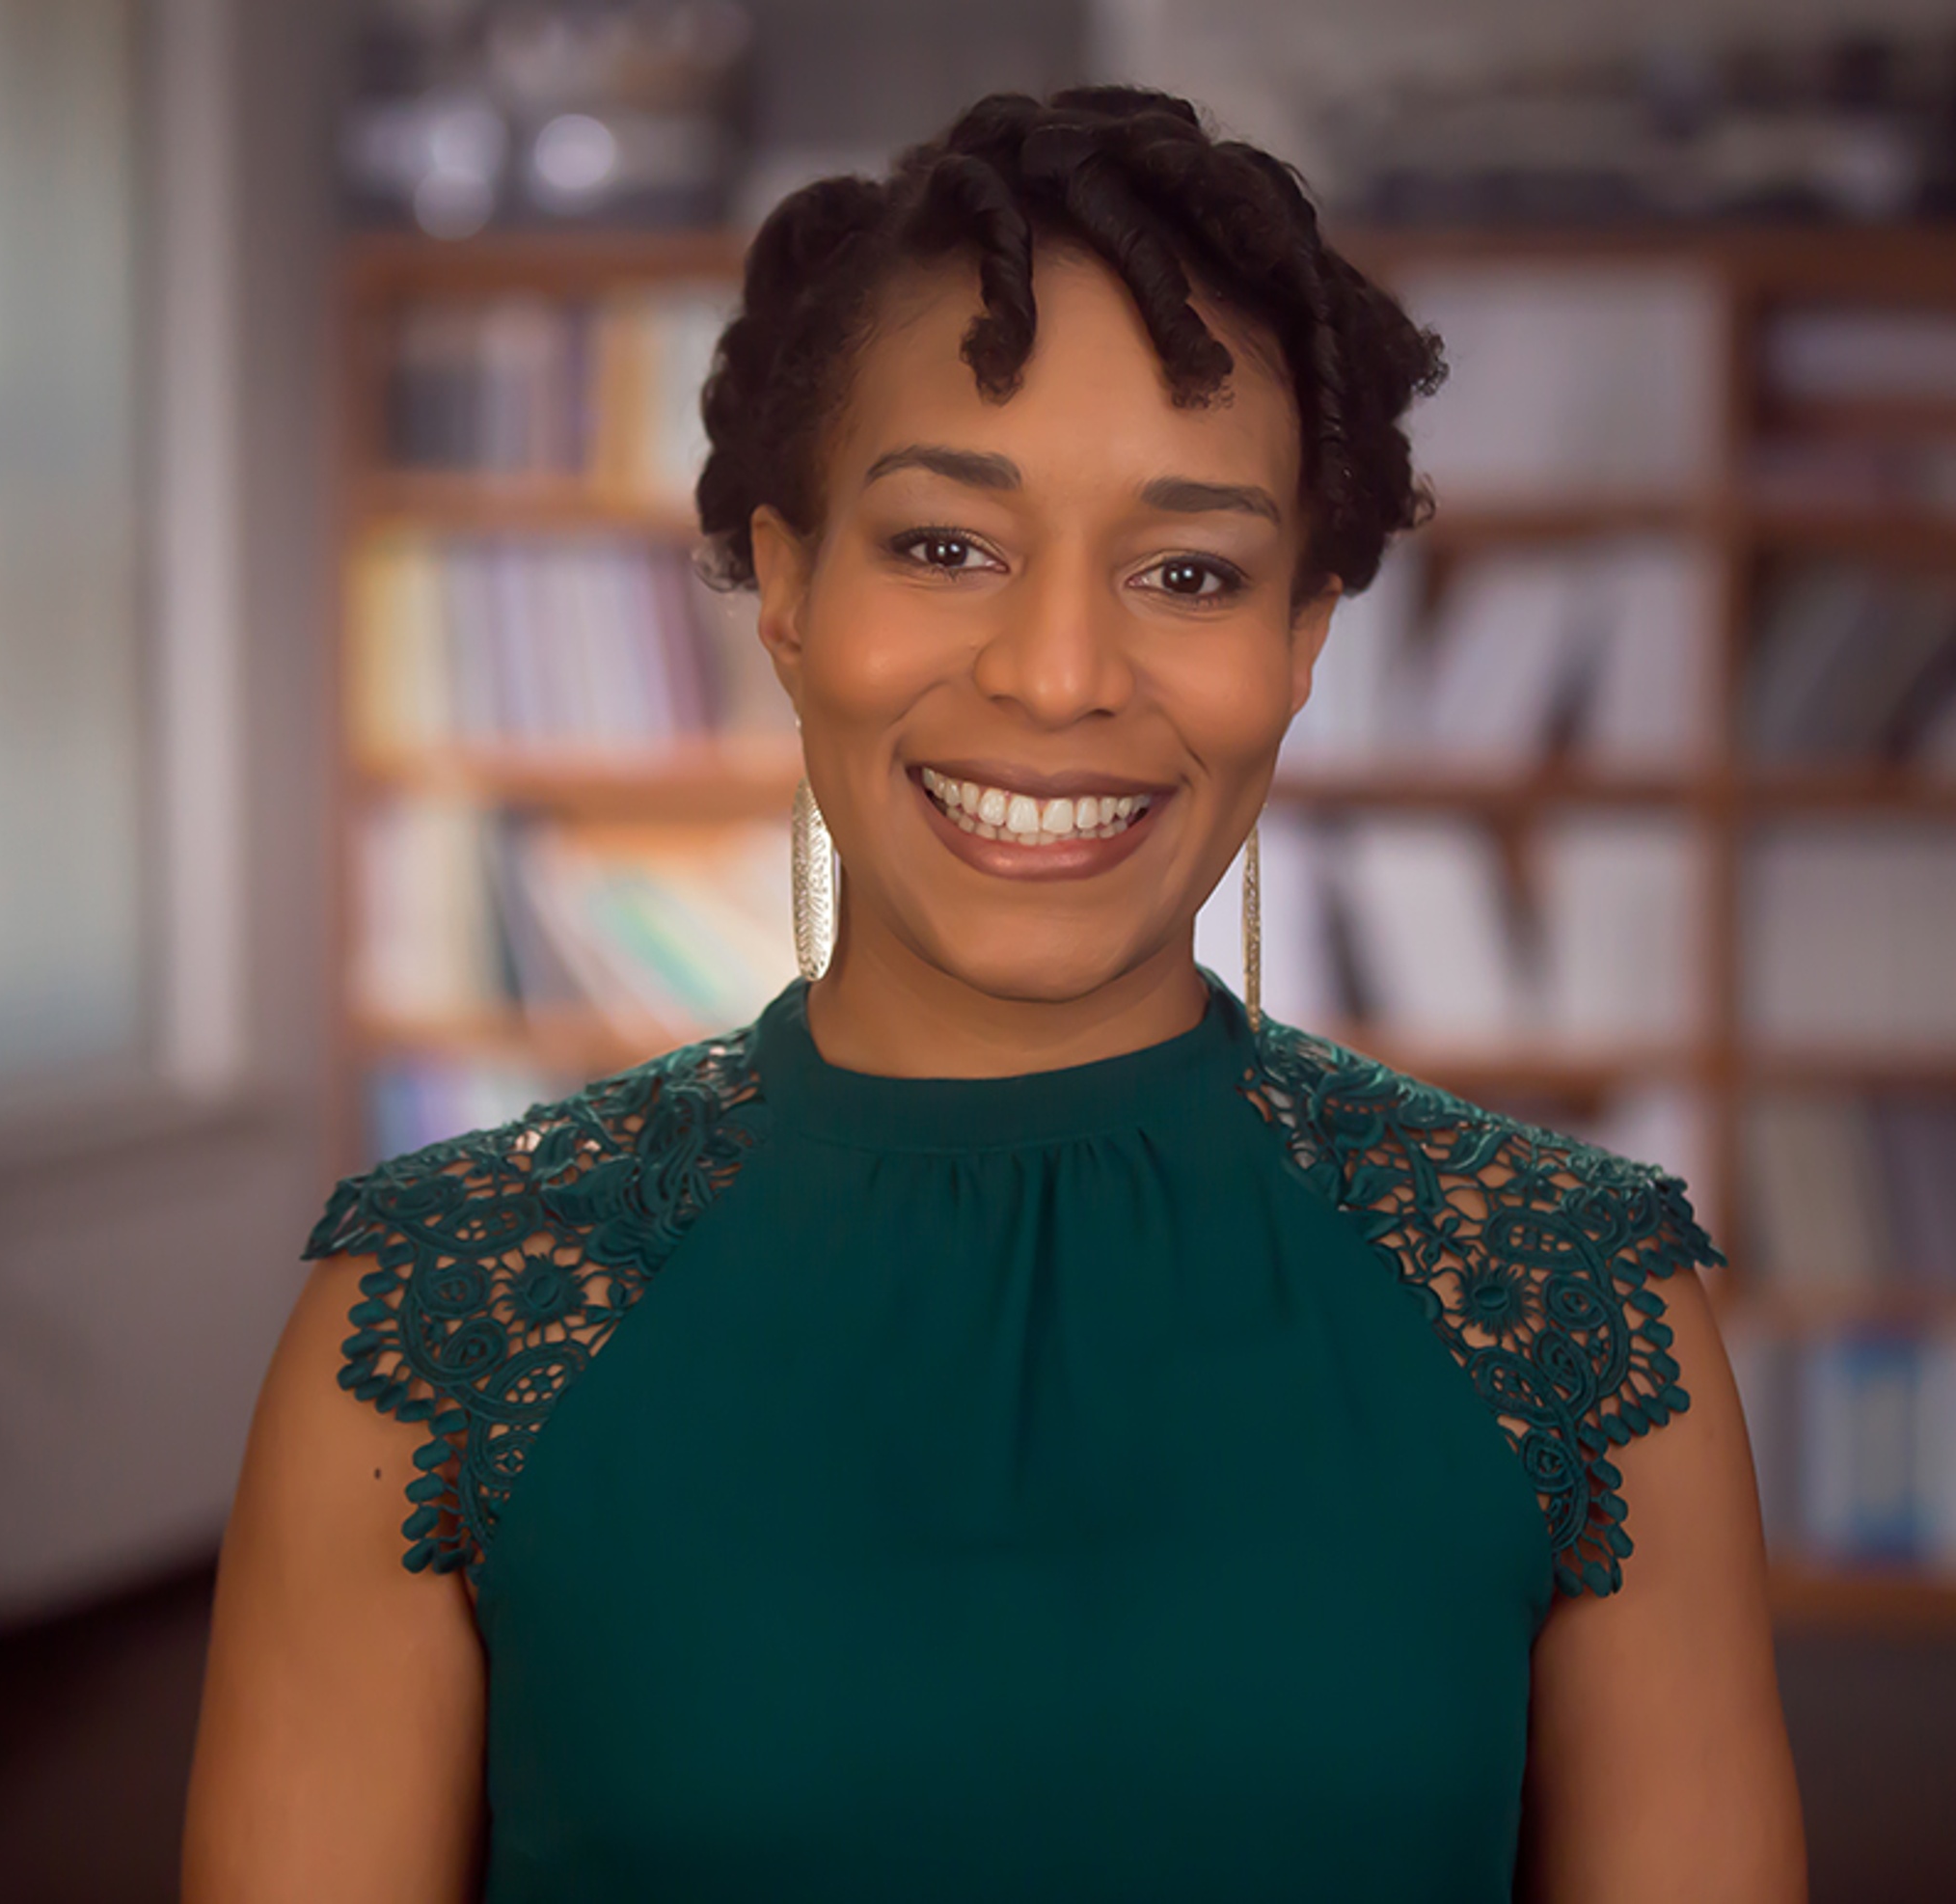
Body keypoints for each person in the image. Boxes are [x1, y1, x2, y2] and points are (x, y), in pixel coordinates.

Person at [184, 85, 1805, 1903]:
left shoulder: (1583, 1312)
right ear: (786, 589)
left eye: (1188, 570)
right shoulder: (423, 1323)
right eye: (946, 544)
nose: (1057, 675)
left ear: (1301, 641)